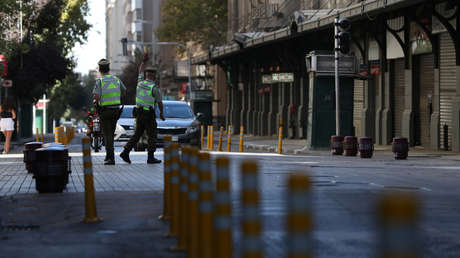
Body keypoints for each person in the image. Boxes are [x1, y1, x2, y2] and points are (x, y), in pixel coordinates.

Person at [120, 54, 165, 164]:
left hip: (139, 113)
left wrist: (143, 62)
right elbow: (159, 102)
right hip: (148, 114)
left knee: (137, 134)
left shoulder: (140, 83)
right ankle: (150, 157)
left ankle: (125, 152)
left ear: (146, 75)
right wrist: (161, 114)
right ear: (154, 76)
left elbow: (140, 70)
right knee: (152, 135)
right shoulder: (154, 87)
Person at [93, 59, 126, 165]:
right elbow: (124, 91)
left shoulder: (100, 81)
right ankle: (108, 156)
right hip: (116, 110)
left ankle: (111, 158)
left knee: (107, 135)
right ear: (109, 68)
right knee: (110, 133)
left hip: (105, 111)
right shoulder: (116, 79)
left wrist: (95, 103)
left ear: (99, 69)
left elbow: (96, 97)